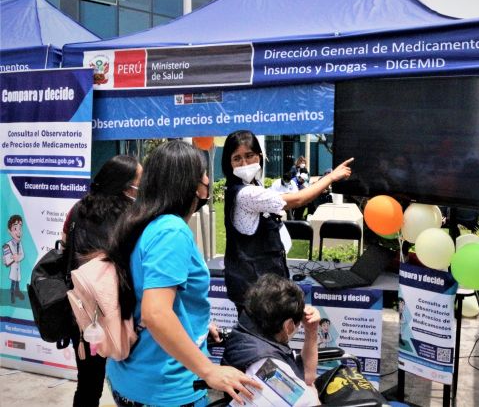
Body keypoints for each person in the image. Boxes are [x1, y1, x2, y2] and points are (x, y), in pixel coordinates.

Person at [106, 140, 259, 407]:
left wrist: (194, 325)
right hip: (166, 386)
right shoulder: (171, 231)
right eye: (203, 172)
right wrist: (209, 371)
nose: (208, 179)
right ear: (189, 183)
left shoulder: (141, 221)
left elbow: (150, 294)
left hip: (131, 375)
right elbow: (156, 313)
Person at [221, 130, 353, 311]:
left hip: (263, 288)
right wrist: (330, 177)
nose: (244, 163)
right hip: (256, 294)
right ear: (229, 163)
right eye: (237, 158)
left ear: (259, 156)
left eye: (249, 156)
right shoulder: (246, 193)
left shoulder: (253, 185)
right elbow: (298, 200)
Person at [60, 154, 141, 407]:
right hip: (123, 311)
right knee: (132, 380)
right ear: (126, 185)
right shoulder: (133, 216)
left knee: (88, 383)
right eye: (140, 180)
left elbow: (64, 248)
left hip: (84, 312)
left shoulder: (77, 209)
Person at [222, 274, 321, 406]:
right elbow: (311, 397)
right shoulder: (268, 367)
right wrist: (313, 394)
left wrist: (311, 330)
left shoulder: (246, 330)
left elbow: (306, 376)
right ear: (288, 326)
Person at [3, 215, 24, 304]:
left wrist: (18, 257)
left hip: (18, 266)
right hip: (13, 267)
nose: (18, 231)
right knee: (13, 282)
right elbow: (7, 258)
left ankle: (17, 292)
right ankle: (12, 294)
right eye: (15, 228)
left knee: (18, 280)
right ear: (9, 231)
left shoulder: (20, 244)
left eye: (20, 228)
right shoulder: (8, 245)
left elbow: (22, 255)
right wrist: (8, 259)